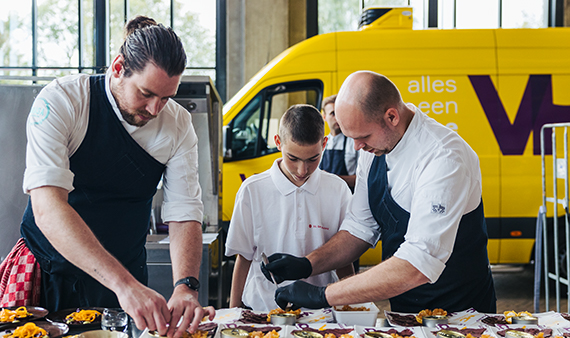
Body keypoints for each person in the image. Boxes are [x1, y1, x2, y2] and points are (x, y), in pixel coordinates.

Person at [18, 16, 214, 338]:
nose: (154, 109)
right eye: (146, 93)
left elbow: (184, 212)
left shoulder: (178, 125)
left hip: (126, 282)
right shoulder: (64, 101)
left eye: (166, 98)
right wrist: (124, 285)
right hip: (48, 274)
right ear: (119, 67)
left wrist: (185, 287)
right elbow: (47, 208)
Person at [262, 71, 497, 313]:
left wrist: (323, 294)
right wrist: (307, 265)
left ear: (392, 116)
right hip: (405, 310)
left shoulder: (444, 156)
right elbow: (359, 228)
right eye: (351, 137)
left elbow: (418, 264)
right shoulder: (373, 149)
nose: (357, 147)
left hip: (461, 315)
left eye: (363, 136)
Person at [225, 104, 354, 311]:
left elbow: (344, 258)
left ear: (324, 144)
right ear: (278, 142)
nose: (303, 170)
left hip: (322, 311)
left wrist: (350, 309)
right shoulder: (252, 190)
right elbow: (244, 256)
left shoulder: (338, 190)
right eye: (293, 158)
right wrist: (233, 312)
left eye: (313, 159)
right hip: (263, 310)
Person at [320, 95, 359, 191]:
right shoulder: (320, 144)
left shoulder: (356, 142)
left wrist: (333, 179)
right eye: (333, 113)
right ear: (324, 117)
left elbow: (362, 179)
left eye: (339, 113)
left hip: (348, 197)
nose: (337, 118)